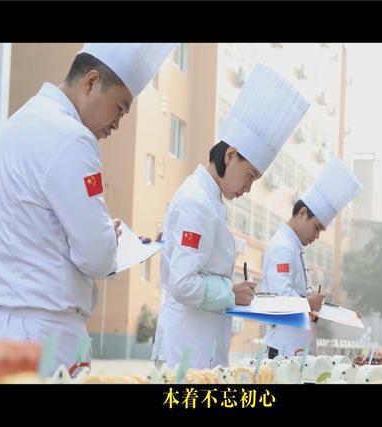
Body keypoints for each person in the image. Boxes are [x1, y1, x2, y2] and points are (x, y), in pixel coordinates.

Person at [0, 43, 174, 373]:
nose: (117, 124)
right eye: (119, 109)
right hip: (43, 338)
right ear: (91, 82)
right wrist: (107, 237)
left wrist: (100, 234)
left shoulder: (18, 123)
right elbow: (96, 256)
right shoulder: (74, 139)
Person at [152, 64, 310, 369]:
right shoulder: (197, 202)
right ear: (230, 155)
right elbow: (183, 284)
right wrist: (229, 292)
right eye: (249, 176)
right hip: (187, 351)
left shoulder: (209, 199)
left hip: (200, 346)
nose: (248, 188)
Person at [262, 156, 362, 358]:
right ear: (302, 212)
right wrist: (309, 304)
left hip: (296, 347)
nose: (316, 236)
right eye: (316, 227)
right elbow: (280, 298)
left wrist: (316, 308)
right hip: (284, 349)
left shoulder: (293, 245)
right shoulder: (282, 246)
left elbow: (297, 297)